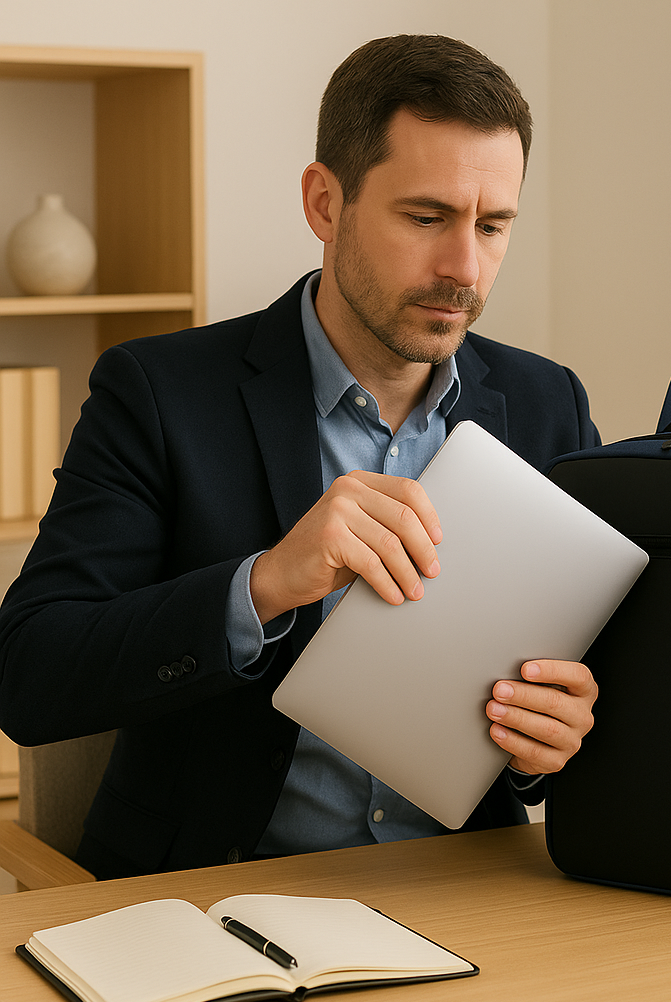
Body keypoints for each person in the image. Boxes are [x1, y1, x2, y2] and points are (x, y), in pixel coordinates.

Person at [0, 35, 601, 879]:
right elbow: (30, 672)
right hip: (222, 896)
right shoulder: (158, 393)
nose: (464, 267)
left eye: (492, 224)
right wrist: (265, 583)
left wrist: (548, 743)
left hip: (479, 894)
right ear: (325, 203)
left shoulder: (549, 405)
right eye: (425, 218)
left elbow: (593, 688)